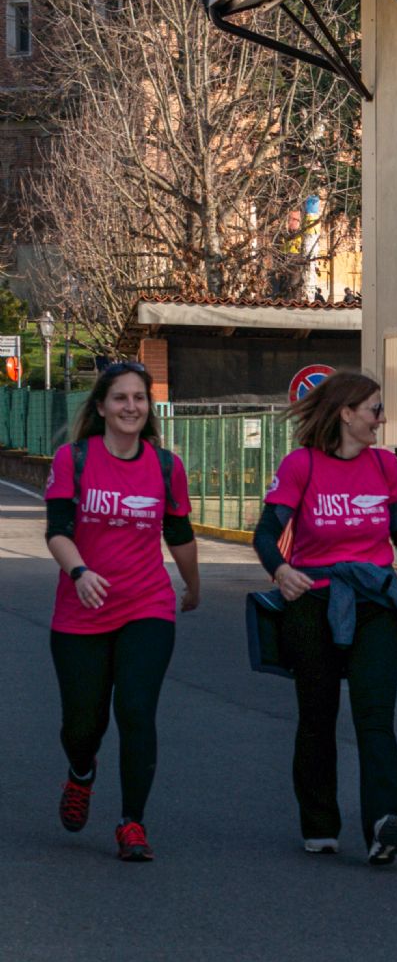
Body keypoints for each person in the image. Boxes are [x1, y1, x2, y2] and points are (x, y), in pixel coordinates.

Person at [253, 369, 397, 866]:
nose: (381, 419)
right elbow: (265, 534)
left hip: (375, 603)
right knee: (317, 715)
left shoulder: (385, 467)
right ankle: (319, 823)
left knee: (375, 716)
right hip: (313, 601)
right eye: (375, 410)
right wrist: (281, 570)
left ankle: (386, 822)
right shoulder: (301, 465)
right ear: (346, 413)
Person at [45, 358, 199, 862]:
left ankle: (132, 823)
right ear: (101, 407)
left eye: (139, 398)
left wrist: (193, 587)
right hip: (81, 610)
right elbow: (58, 530)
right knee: (82, 726)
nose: (131, 406)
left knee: (135, 710)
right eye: (120, 398)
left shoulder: (165, 466)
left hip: (146, 605)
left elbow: (179, 533)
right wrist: (79, 572)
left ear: (148, 406)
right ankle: (81, 772)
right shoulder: (74, 459)